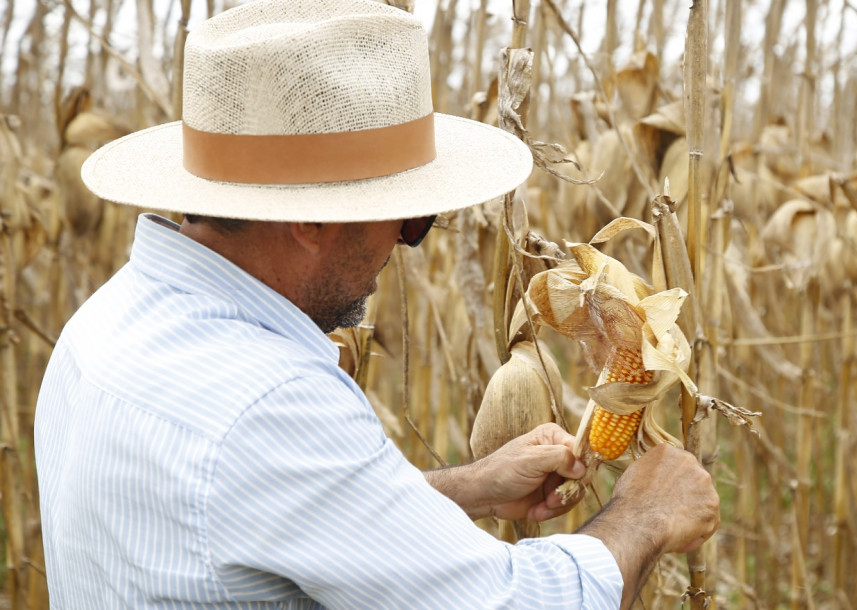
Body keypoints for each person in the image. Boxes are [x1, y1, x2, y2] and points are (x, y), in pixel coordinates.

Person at [34, 0, 720, 608]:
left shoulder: (102, 326)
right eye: (407, 220)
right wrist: (644, 514)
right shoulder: (272, 402)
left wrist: (471, 486)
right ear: (312, 222)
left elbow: (263, 514)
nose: (405, 243)